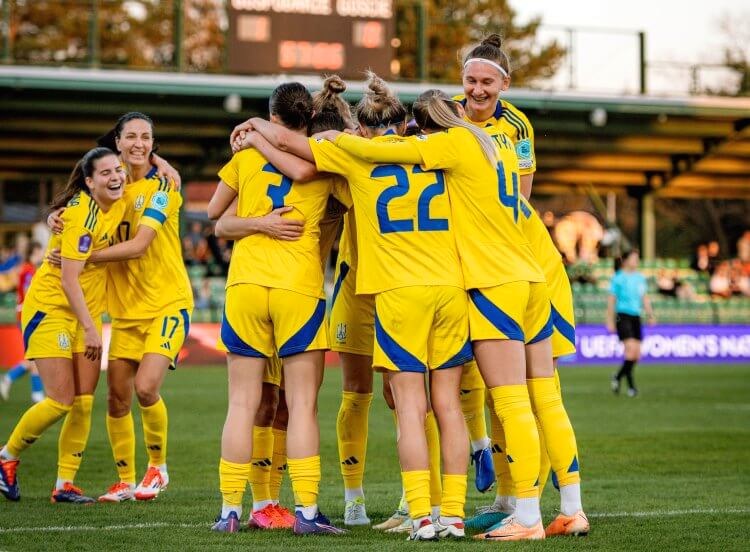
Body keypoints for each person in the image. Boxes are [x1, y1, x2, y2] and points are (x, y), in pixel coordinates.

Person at [328, 88, 584, 541]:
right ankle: (567, 507)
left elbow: (376, 150)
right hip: (536, 272)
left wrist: (336, 136)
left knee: (502, 401)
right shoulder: (498, 144)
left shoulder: (449, 146)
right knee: (542, 397)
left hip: (490, 281)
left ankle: (520, 514)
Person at [247, 73, 473, 541]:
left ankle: (421, 515)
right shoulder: (439, 151)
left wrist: (254, 129)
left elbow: (296, 150)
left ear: (363, 128)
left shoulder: (356, 156)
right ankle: (450, 512)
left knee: (407, 404)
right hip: (448, 287)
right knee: (446, 403)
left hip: (395, 290)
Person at [208, 82, 349, 535]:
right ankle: (306, 511)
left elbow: (216, 215)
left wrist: (257, 222)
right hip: (298, 288)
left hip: (246, 285)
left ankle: (229, 510)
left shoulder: (246, 155)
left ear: (271, 115)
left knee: (241, 403)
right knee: (303, 405)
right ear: (309, 118)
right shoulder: (323, 159)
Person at [0, 147, 125, 503]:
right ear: (89, 182)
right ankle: (6, 456)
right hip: (52, 310)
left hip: (85, 313)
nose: (116, 177)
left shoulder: (115, 202)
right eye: (105, 173)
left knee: (83, 402)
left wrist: (165, 168)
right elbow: (70, 280)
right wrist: (91, 328)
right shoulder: (82, 216)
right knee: (60, 400)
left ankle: (64, 485)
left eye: (117, 170)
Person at [1, 241, 45, 404]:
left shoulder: (27, 268)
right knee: (35, 355)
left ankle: (9, 378)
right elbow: (28, 292)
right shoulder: (29, 270)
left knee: (34, 355)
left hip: (26, 315)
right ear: (34, 251)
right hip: (28, 316)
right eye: (40, 251)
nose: (42, 254)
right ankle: (36, 393)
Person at [608, 249, 655, 397]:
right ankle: (632, 387)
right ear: (626, 260)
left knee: (637, 355)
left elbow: (644, 297)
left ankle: (617, 376)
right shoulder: (618, 278)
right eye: (634, 258)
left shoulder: (640, 278)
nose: (636, 261)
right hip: (623, 315)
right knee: (630, 350)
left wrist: (650, 314)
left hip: (636, 316)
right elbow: (611, 300)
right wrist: (609, 320)